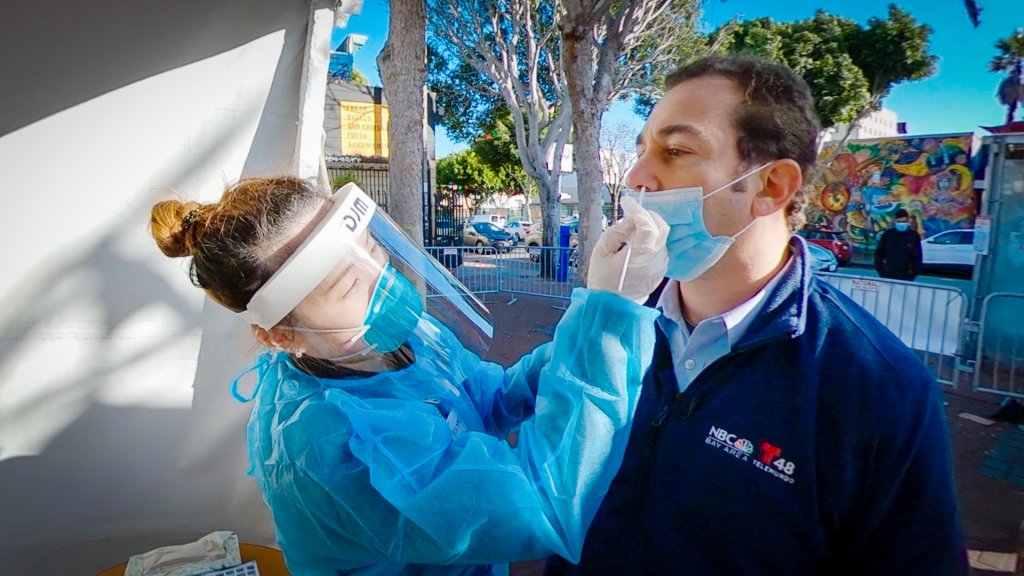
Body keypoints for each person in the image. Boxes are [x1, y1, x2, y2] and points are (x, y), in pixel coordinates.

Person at [546, 56, 967, 575]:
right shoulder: (616, 322)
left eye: (676, 151)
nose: (637, 178)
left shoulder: (878, 388)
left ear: (772, 186)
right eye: (640, 151)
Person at [149, 176, 668, 576]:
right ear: (281, 336)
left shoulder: (385, 345)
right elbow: (539, 508)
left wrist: (583, 330)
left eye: (376, 257)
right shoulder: (334, 438)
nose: (386, 284)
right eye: (353, 284)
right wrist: (611, 316)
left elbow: (486, 399)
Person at [874, 208, 924, 280]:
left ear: (908, 221)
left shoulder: (914, 236)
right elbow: (879, 254)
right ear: (895, 221)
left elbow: (918, 256)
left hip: (906, 276)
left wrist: (912, 274)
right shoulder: (888, 234)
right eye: (899, 221)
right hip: (888, 275)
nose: (901, 224)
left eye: (904, 221)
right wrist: (882, 272)